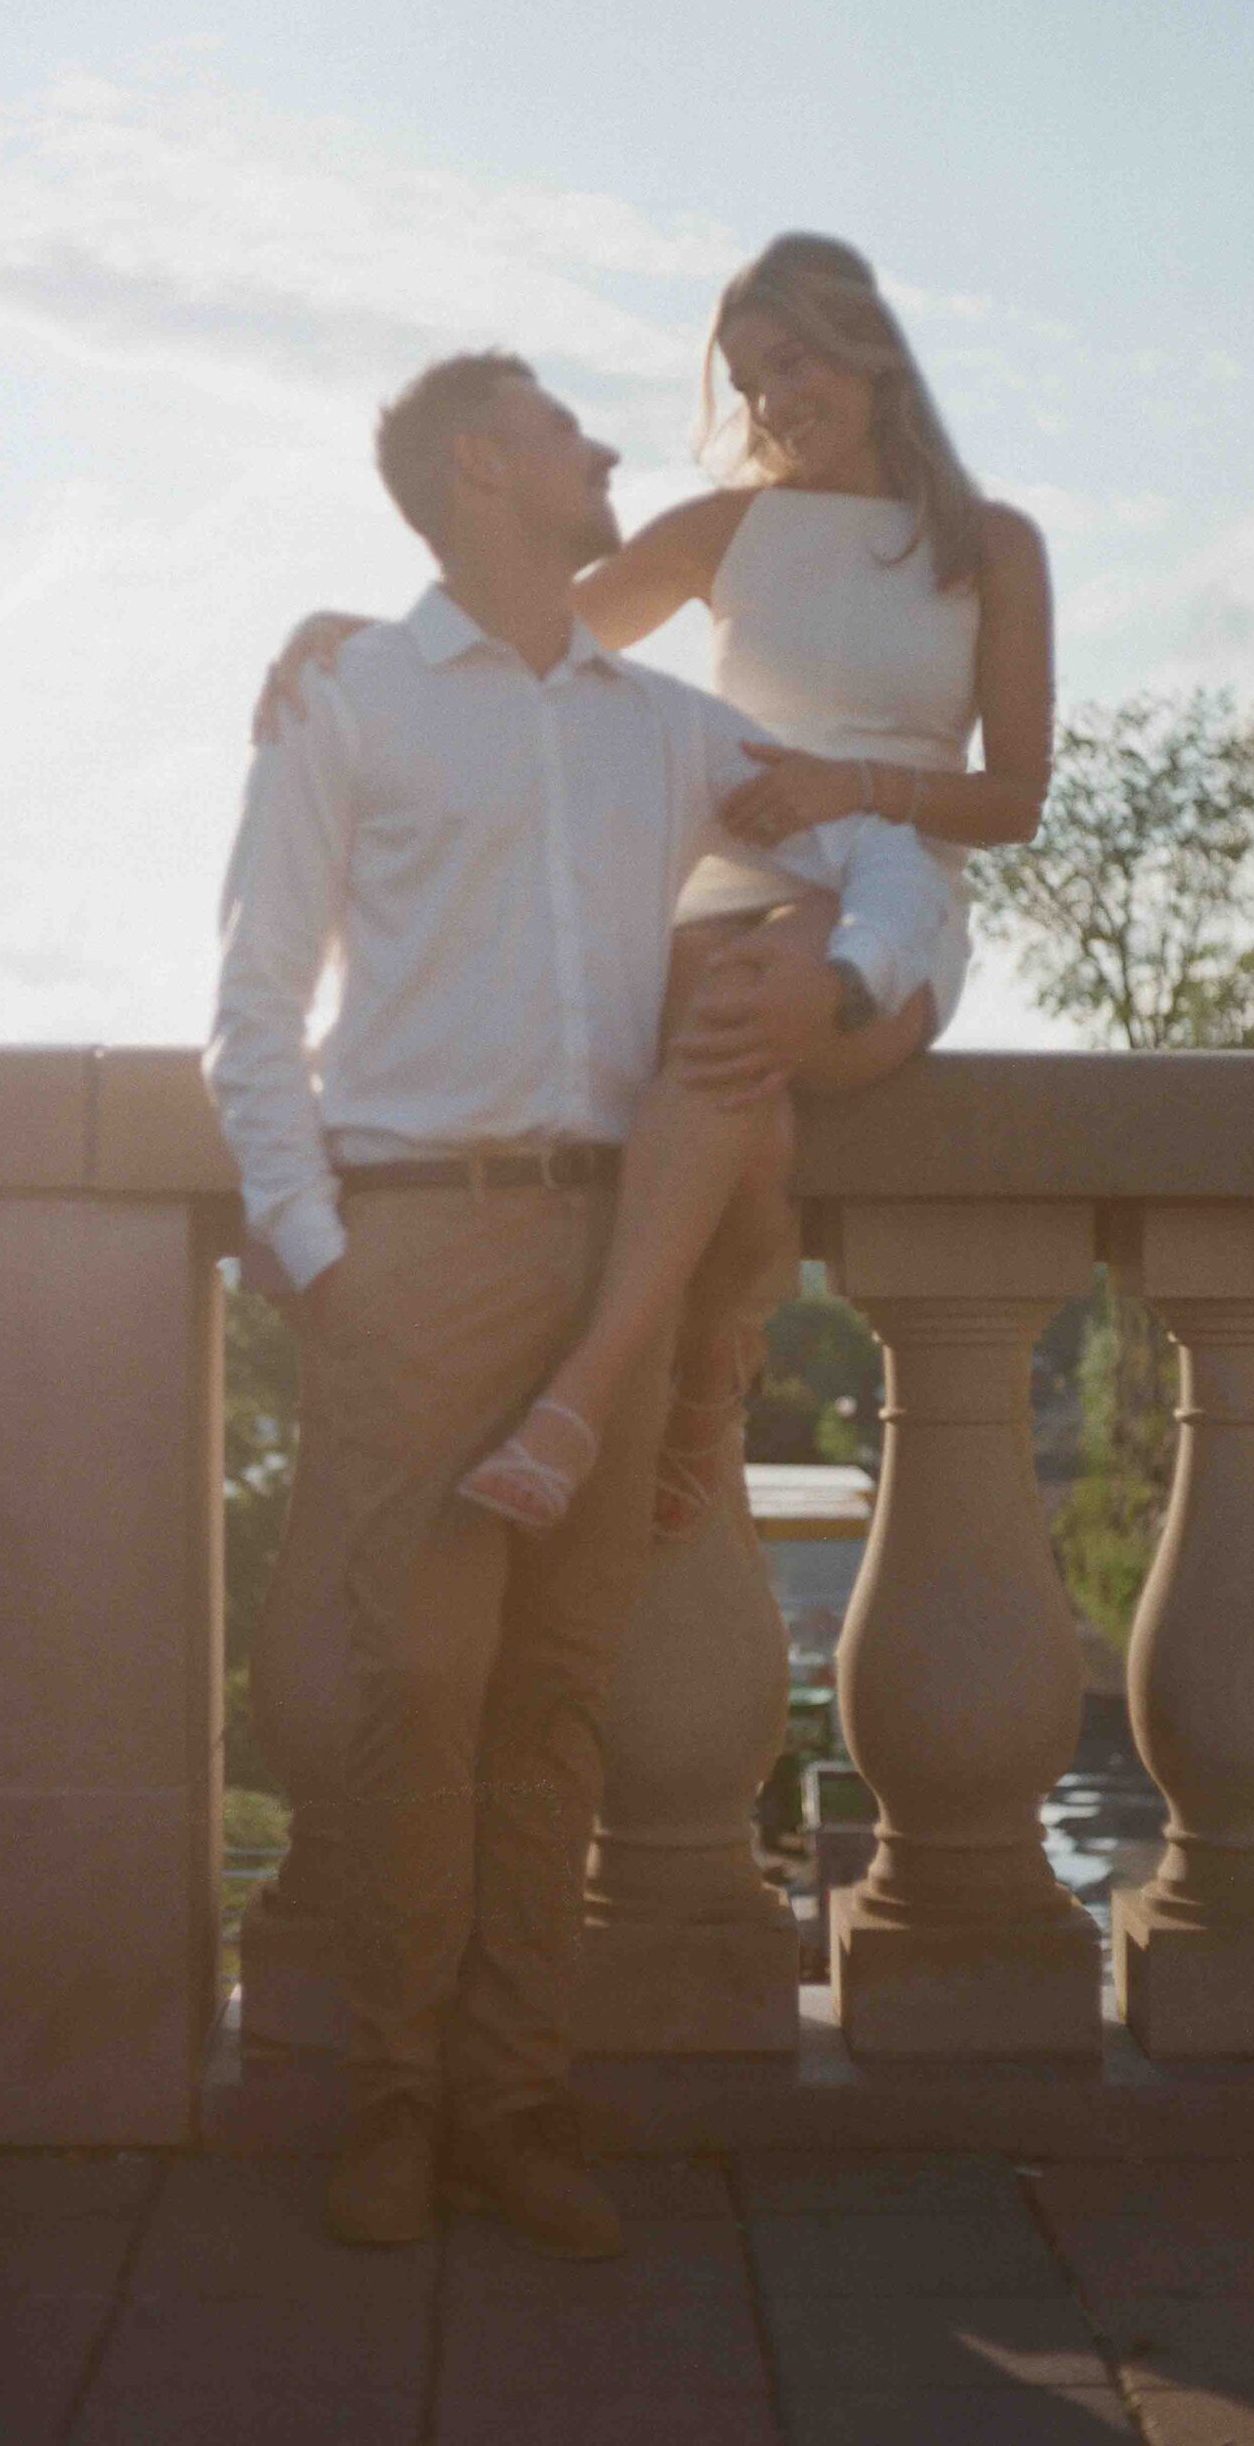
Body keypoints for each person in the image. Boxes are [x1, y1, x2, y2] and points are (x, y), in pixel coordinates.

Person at [205, 350, 946, 2258]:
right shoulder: (347, 702)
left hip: (612, 1253)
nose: (604, 446)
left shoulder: (665, 732)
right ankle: (392, 2102)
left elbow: (884, 845)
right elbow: (254, 1010)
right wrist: (325, 1266)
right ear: (477, 467)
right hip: (411, 1258)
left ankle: (513, 2110)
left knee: (552, 1709)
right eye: (559, 429)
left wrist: (844, 980)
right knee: (415, 1696)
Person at [257, 233, 1056, 1537]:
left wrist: (852, 788)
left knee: (743, 1012)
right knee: (742, 1085)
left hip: (883, 905)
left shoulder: (990, 547)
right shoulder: (723, 531)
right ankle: (700, 1391)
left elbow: (1014, 797)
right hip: (721, 887)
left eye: (791, 361)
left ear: (868, 352)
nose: (771, 402)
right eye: (746, 382)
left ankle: (595, 1399)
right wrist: (357, 640)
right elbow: (524, 635)